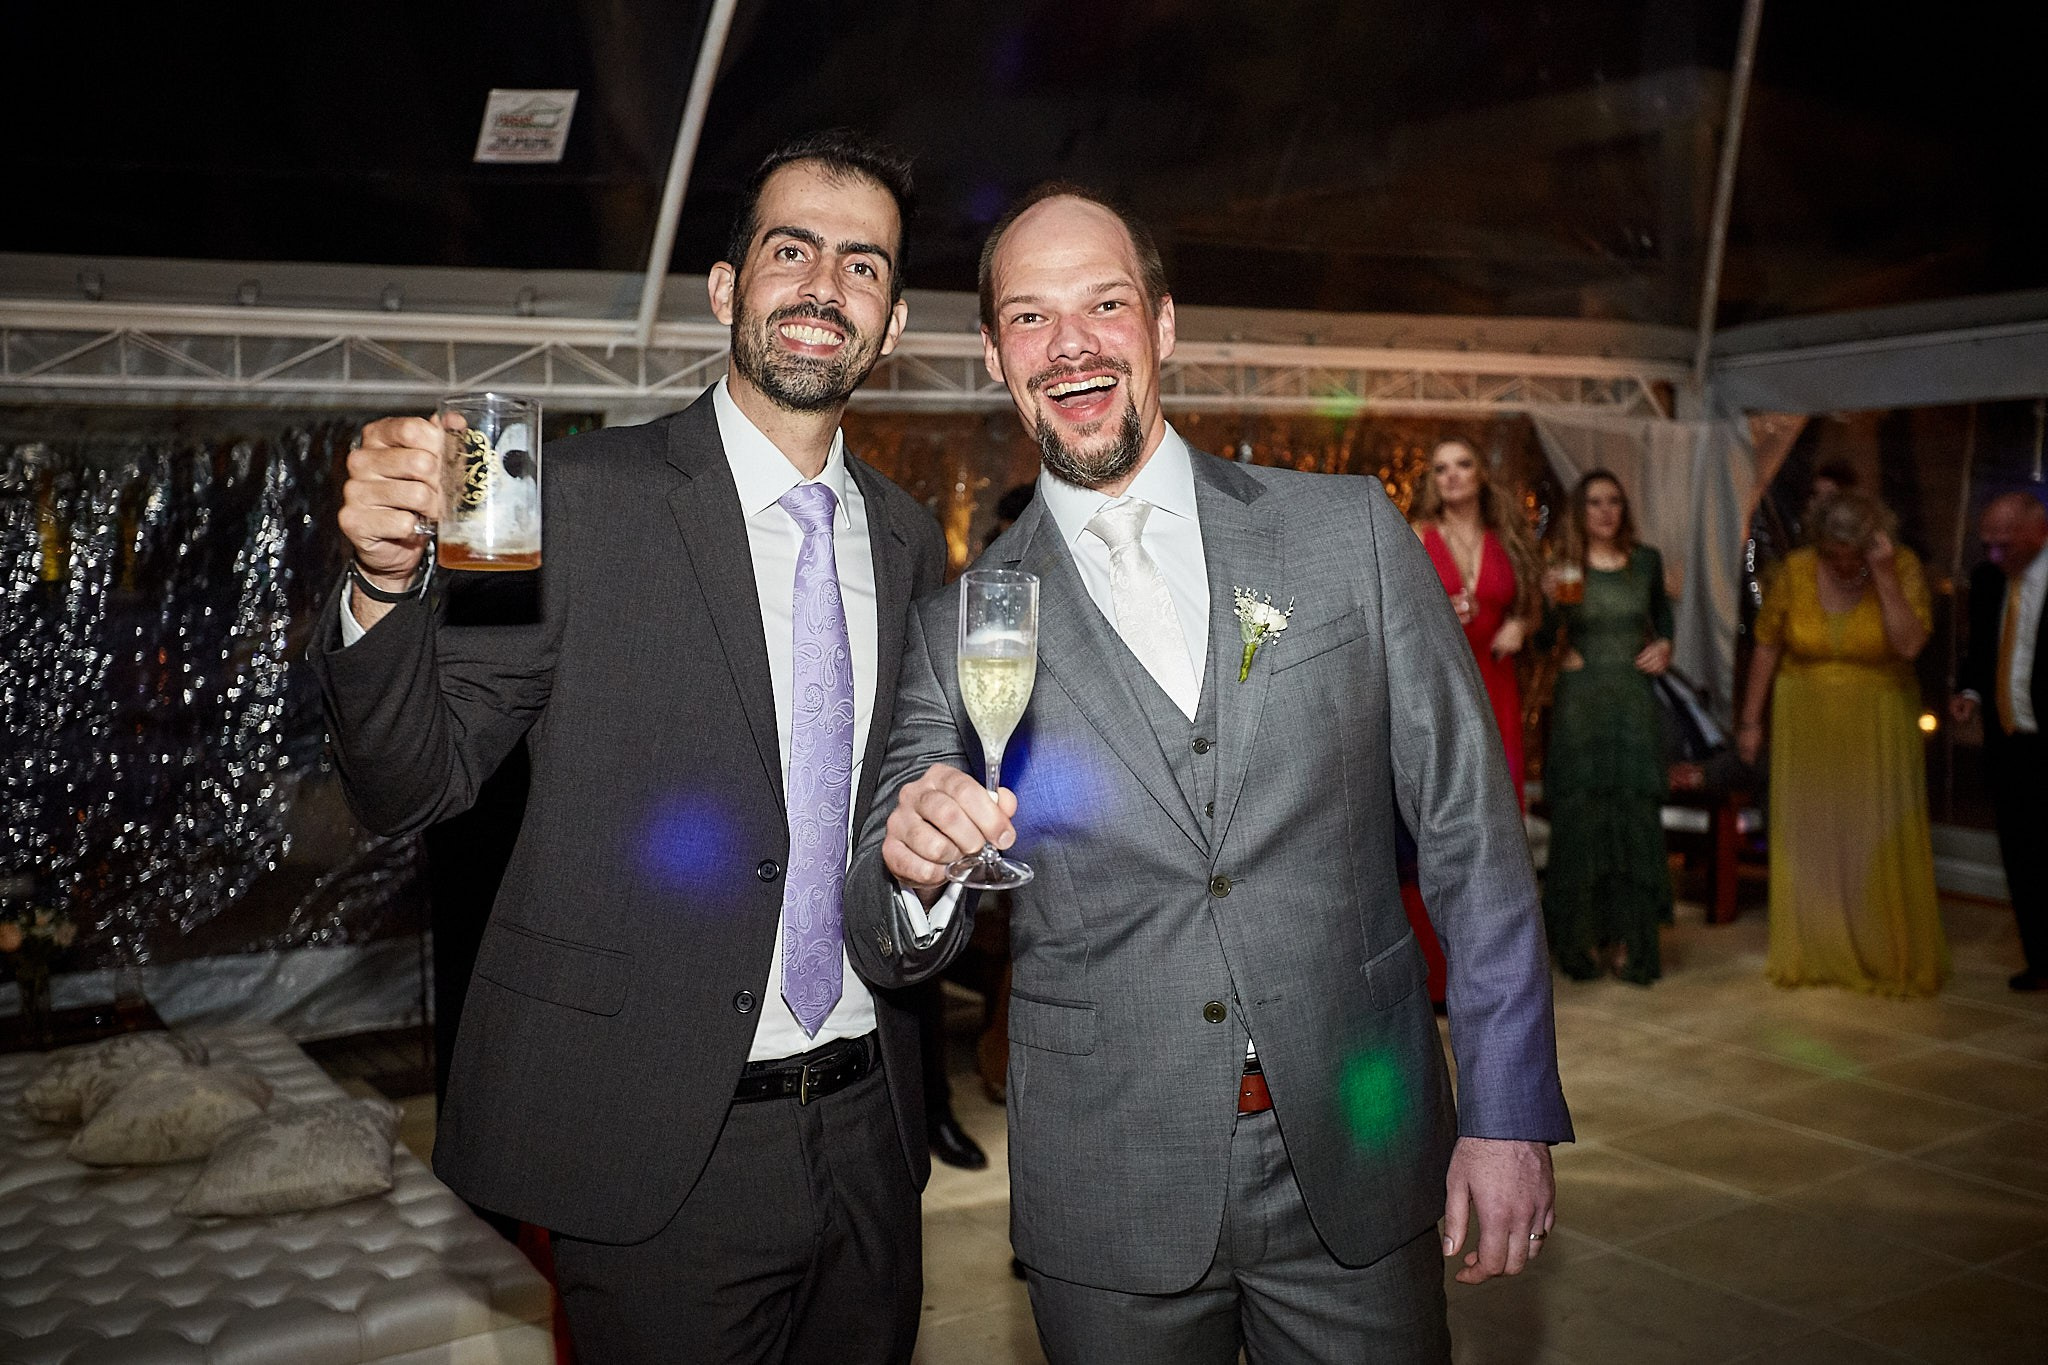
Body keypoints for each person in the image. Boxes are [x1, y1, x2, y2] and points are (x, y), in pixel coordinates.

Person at [844, 185, 1570, 1364]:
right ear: (990, 355)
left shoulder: (1345, 535)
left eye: (1104, 304)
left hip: (1362, 1143)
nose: (1070, 344)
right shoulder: (955, 625)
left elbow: (1469, 834)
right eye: (1029, 318)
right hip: (1111, 1186)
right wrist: (912, 864)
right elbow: (879, 931)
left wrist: (1505, 1110)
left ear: (1163, 324)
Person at [309, 131, 947, 1364]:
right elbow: (411, 782)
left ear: (893, 321)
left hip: (872, 1131)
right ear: (723, 289)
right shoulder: (572, 496)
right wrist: (384, 590)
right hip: (659, 1148)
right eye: (789, 249)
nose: (824, 285)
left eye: (861, 266)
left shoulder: (914, 542)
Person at [1738, 492, 1946, 996]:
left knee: (1874, 832)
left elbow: (1910, 644)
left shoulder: (1903, 567)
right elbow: (1768, 643)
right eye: (1833, 552)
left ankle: (1880, 947)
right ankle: (1816, 945)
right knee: (1813, 834)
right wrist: (1750, 721)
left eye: (1851, 553)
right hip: (1804, 718)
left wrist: (1885, 576)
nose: (1841, 562)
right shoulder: (1795, 569)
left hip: (1879, 720)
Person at [1537, 470, 1674, 985]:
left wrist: (1665, 647)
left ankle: (1631, 943)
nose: (1605, 511)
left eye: (1614, 501)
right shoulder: (1566, 565)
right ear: (1580, 509)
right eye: (1594, 502)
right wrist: (1550, 606)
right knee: (1582, 818)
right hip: (1581, 704)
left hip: (1633, 703)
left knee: (1633, 816)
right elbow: (1544, 642)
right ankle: (1580, 943)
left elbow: (1663, 621)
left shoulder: (1646, 562)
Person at [1950, 491, 2048, 991]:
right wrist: (1968, 690)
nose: (1993, 554)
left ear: (2039, 531)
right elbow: (1980, 648)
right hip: (2009, 743)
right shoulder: (1989, 580)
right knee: (2021, 853)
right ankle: (2040, 959)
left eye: (2004, 544)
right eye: (1986, 543)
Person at [1408, 438, 1540, 800]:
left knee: (1498, 786)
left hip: (1496, 675)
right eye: (1441, 468)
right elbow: (1399, 612)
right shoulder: (1419, 536)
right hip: (1442, 679)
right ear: (1432, 480)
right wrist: (1436, 611)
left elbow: (1534, 600)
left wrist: (1521, 624)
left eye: (1462, 464)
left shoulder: (1508, 538)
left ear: (1481, 474)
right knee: (1448, 787)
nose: (1452, 475)